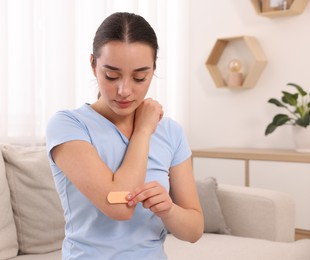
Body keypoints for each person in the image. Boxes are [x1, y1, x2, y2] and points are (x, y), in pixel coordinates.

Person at [46, 12, 203, 260]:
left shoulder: (171, 132)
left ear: (153, 70)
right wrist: (143, 130)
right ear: (93, 65)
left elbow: (194, 230)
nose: (125, 91)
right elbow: (118, 207)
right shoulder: (68, 125)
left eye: (140, 77)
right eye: (112, 76)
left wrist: (169, 210)